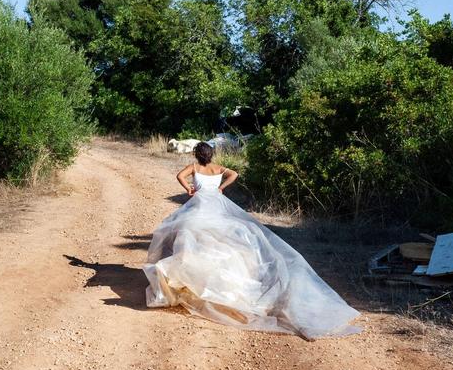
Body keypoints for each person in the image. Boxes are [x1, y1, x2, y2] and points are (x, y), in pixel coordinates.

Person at [142, 142, 361, 340]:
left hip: (199, 206)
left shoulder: (194, 167)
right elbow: (234, 173)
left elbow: (179, 176)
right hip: (216, 205)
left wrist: (189, 189)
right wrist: (221, 188)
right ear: (211, 154)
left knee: (190, 232)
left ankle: (193, 276)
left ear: (196, 154)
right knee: (223, 236)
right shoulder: (218, 168)